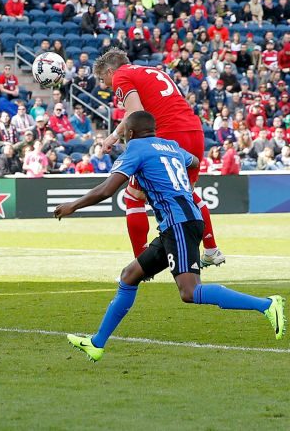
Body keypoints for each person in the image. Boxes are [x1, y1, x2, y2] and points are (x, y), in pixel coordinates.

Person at [56, 111, 284, 362]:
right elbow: (195, 162)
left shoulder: (135, 148)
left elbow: (107, 189)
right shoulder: (171, 145)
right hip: (177, 223)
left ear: (130, 133)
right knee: (129, 275)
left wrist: (73, 206)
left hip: (179, 224)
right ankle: (97, 343)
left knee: (189, 291)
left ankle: (266, 304)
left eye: (124, 135)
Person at [94, 49, 224, 266]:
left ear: (110, 70)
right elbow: (137, 111)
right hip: (193, 131)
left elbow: (137, 114)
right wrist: (114, 136)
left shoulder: (121, 76)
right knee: (186, 194)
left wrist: (132, 148)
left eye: (102, 78)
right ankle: (211, 249)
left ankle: (141, 263)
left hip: (168, 135)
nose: (104, 84)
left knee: (134, 196)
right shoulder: (150, 71)